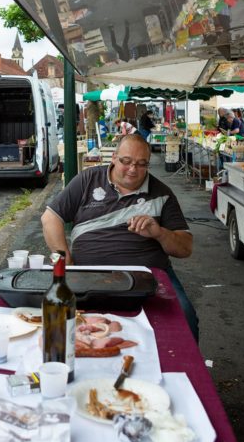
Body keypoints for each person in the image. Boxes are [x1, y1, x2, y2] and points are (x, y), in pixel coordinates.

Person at [40, 134, 199, 341]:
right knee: (56, 318)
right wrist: (65, 260)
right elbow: (50, 217)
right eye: (126, 161)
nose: (133, 170)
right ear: (114, 157)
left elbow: (185, 248)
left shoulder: (162, 193)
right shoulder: (88, 180)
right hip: (88, 274)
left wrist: (159, 232)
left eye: (142, 164)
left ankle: (181, 370)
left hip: (147, 275)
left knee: (184, 317)